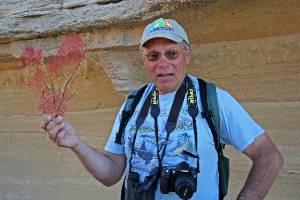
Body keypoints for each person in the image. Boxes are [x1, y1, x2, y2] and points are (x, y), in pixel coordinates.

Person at [42, 18, 283, 200]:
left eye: (172, 53)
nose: (163, 64)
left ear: (187, 55)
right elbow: (112, 173)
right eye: (153, 56)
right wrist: (76, 144)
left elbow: (269, 157)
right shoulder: (132, 104)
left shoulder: (214, 100)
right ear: (144, 60)